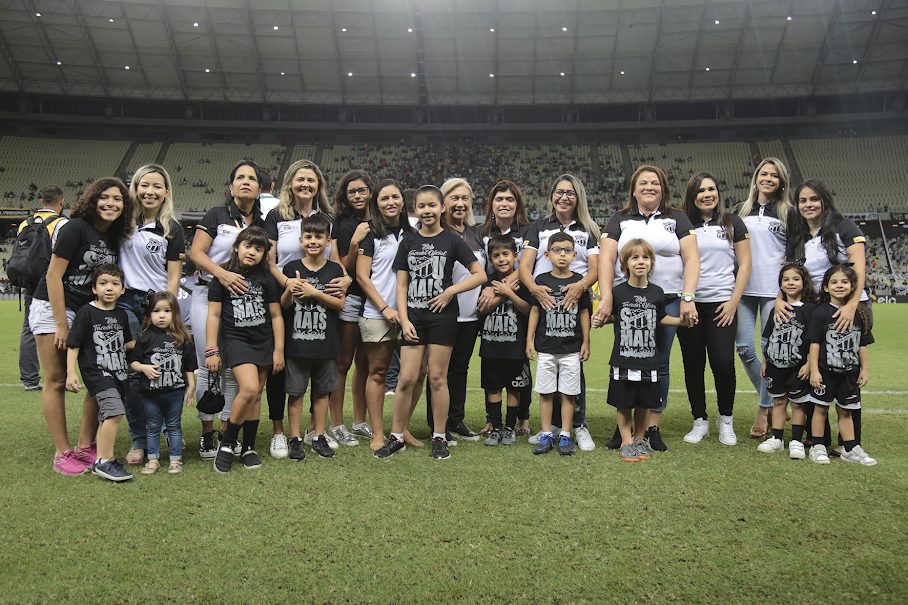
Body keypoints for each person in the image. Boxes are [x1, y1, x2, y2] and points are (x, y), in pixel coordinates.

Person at [374, 185, 487, 460]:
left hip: (443, 319)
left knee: (437, 378)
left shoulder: (452, 240)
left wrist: (450, 291)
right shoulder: (408, 242)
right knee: (407, 378)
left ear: (442, 209)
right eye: (422, 206)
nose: (427, 211)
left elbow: (479, 275)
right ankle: (397, 436)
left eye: (432, 206)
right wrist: (403, 318)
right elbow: (402, 286)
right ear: (416, 210)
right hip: (414, 318)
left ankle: (439, 436)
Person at [30, 178, 133, 476]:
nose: (111, 203)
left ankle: (86, 446)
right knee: (56, 378)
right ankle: (62, 453)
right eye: (104, 197)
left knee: (96, 374)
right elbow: (53, 277)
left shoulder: (113, 236)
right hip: (53, 307)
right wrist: (63, 325)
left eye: (117, 199)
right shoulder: (74, 228)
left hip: (88, 310)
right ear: (92, 199)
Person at [594, 165, 699, 452]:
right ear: (634, 188)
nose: (649, 187)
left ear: (663, 188)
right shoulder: (619, 219)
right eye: (643, 183)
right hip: (627, 299)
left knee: (659, 363)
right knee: (627, 359)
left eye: (655, 182)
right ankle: (623, 429)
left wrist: (688, 297)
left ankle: (652, 427)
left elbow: (692, 259)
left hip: (669, 297)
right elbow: (606, 259)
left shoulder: (677, 218)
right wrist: (605, 298)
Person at [263, 159, 350, 455]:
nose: (305, 185)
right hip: (286, 302)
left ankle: (318, 434)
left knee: (322, 384)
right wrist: (288, 285)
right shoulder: (276, 215)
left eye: (311, 180)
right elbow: (269, 259)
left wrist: (345, 278)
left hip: (323, 326)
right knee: (288, 378)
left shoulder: (326, 217)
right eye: (300, 179)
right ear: (290, 182)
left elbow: (337, 261)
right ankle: (285, 434)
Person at [783, 179, 871, 455]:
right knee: (814, 369)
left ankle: (850, 445)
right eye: (803, 201)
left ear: (824, 200)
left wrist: (850, 306)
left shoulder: (844, 227)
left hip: (849, 307)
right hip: (817, 309)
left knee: (847, 369)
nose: (808, 205)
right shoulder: (799, 234)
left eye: (814, 199)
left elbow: (859, 270)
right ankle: (818, 438)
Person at [188, 160, 263, 460]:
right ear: (230, 186)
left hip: (243, 300)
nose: (246, 182)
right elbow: (195, 253)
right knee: (208, 361)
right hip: (209, 293)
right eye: (240, 177)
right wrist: (223, 275)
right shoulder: (217, 214)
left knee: (234, 367)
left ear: (260, 188)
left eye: (252, 178)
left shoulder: (262, 220)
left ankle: (224, 431)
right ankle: (206, 434)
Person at [520, 174, 600, 451]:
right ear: (551, 195)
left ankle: (577, 426)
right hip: (544, 307)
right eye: (559, 192)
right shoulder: (538, 228)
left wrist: (579, 287)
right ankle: (551, 429)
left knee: (573, 372)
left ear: (578, 197)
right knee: (547, 375)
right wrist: (535, 290)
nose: (564, 197)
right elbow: (525, 268)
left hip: (572, 305)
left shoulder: (588, 229)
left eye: (570, 193)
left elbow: (595, 269)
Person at [677, 173, 750, 446]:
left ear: (718, 192)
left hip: (722, 305)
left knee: (722, 363)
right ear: (692, 196)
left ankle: (726, 420)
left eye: (711, 189)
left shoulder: (732, 222)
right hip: (690, 304)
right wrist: (686, 298)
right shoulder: (682, 224)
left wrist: (733, 302)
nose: (707, 194)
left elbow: (744, 264)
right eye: (700, 190)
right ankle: (700, 420)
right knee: (693, 364)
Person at [119, 163, 185, 466]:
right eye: (144, 184)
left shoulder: (172, 228)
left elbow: (173, 277)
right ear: (135, 187)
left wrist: (168, 309)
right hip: (124, 303)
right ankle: (140, 439)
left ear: (166, 191)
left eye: (157, 186)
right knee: (134, 374)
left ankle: (170, 431)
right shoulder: (122, 222)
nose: (150, 191)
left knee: (165, 370)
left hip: (155, 306)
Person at [206, 226, 284, 473]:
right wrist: (211, 350)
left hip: (264, 342)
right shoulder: (223, 277)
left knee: (256, 395)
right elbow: (214, 315)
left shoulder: (267, 279)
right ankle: (228, 443)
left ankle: (248, 446)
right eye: (248, 246)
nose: (252, 252)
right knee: (248, 388)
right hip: (237, 341)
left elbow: (276, 315)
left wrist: (279, 350)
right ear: (236, 247)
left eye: (258, 248)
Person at [600, 239, 683, 462]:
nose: (640, 262)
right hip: (623, 359)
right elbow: (613, 316)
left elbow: (661, 318)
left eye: (645, 257)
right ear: (625, 263)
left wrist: (681, 322)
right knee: (624, 403)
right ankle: (626, 442)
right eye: (634, 257)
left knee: (645, 404)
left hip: (649, 361)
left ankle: (639, 440)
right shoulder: (617, 292)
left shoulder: (657, 292)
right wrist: (601, 320)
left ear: (652, 263)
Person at [735, 158, 793, 439]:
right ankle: (774, 397)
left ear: (781, 182)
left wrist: (786, 292)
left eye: (774, 175)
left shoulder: (788, 213)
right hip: (744, 289)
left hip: (774, 291)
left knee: (771, 351)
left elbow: (795, 255)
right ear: (756, 177)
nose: (768, 178)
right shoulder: (740, 210)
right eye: (764, 173)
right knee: (744, 348)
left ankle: (764, 408)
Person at [424, 177, 485, 442]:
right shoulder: (436, 232)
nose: (460, 204)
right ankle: (436, 424)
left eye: (465, 198)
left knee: (460, 369)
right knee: (438, 372)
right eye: (454, 198)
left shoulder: (476, 233)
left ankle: (456, 420)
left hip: (470, 314)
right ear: (443, 202)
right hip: (442, 314)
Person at [280, 215, 345, 460]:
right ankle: (295, 438)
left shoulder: (335, 269)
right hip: (297, 345)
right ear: (301, 240)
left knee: (322, 392)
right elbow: (284, 305)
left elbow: (340, 304)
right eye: (308, 236)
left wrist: (314, 292)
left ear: (328, 241)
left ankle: (318, 435)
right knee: (295, 392)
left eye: (319, 237)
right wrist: (290, 288)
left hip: (326, 345)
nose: (313, 241)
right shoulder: (291, 268)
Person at [356, 179, 414, 450]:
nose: (391, 202)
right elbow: (362, 277)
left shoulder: (413, 233)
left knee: (413, 373)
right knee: (378, 372)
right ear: (376, 204)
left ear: (403, 201)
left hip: (409, 314)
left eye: (395, 197)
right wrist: (385, 308)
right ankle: (378, 432)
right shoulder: (371, 233)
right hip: (376, 313)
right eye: (384, 199)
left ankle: (402, 430)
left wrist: (402, 312)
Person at [64, 264, 135, 482]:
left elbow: (128, 344)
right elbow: (74, 344)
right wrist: (70, 373)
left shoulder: (121, 314)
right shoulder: (86, 312)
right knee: (115, 412)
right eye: (103, 283)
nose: (109, 288)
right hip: (98, 374)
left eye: (115, 284)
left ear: (122, 289)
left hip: (119, 374)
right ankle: (106, 461)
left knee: (106, 416)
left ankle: (101, 460)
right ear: (94, 288)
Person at [526, 232, 591, 456]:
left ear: (574, 255)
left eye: (566, 250)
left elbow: (584, 313)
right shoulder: (541, 280)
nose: (562, 254)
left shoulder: (579, 282)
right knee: (545, 393)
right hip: (545, 347)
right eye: (557, 250)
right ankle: (546, 433)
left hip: (571, 348)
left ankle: (565, 434)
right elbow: (535, 311)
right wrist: (529, 341)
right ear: (547, 254)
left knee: (568, 394)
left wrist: (586, 342)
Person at [805, 265, 876, 466]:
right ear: (826, 287)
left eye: (845, 282)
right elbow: (815, 343)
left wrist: (864, 369)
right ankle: (818, 446)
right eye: (834, 282)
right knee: (820, 408)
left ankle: (850, 448)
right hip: (825, 371)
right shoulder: (820, 313)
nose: (839, 285)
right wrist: (814, 370)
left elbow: (862, 344)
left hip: (849, 372)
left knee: (846, 411)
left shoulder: (858, 313)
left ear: (853, 286)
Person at [477, 179, 532, 436]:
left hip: (515, 300)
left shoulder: (528, 232)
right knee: (495, 378)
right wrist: (490, 288)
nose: (504, 203)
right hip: (492, 308)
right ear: (491, 204)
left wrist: (503, 288)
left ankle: (521, 419)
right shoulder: (480, 232)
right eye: (499, 199)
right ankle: (495, 422)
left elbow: (527, 268)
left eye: (510, 199)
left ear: (518, 204)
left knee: (520, 374)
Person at [329, 170, 374, 446]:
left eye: (362, 190)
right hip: (351, 299)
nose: (357, 195)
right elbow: (341, 269)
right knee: (343, 363)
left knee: (365, 364)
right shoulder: (341, 224)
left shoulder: (379, 221)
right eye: (351, 192)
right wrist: (355, 241)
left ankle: (359, 420)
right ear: (344, 196)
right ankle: (336, 424)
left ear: (371, 190)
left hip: (374, 300)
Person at [130, 291, 196, 475]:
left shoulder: (183, 337)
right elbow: (133, 362)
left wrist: (191, 386)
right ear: (149, 314)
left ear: (175, 313)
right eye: (156, 311)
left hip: (174, 392)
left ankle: (175, 460)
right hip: (150, 393)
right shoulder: (144, 337)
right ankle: (153, 459)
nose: (161, 315)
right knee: (152, 426)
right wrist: (144, 368)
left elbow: (189, 366)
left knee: (174, 425)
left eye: (167, 311)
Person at [756, 264, 816, 459]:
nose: (791, 283)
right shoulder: (777, 308)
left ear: (804, 283)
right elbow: (768, 336)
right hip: (775, 364)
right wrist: (765, 361)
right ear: (780, 284)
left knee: (798, 404)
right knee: (779, 401)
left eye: (796, 279)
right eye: (786, 279)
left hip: (798, 367)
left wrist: (809, 363)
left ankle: (797, 441)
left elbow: (813, 340)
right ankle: (777, 438)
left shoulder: (809, 310)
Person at [19, 184, 67, 392]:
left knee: (29, 329)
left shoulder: (25, 223)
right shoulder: (61, 224)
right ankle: (63, 374)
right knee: (63, 326)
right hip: (52, 282)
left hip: (30, 282)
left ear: (41, 201)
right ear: (62, 202)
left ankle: (29, 379)